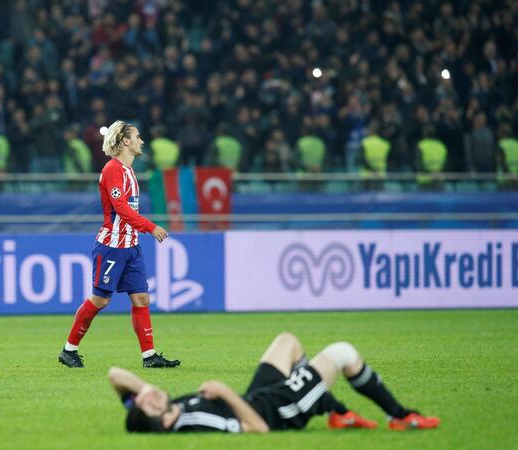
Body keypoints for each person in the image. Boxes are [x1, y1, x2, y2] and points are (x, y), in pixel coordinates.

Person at [110, 332, 440, 433]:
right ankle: (400, 416)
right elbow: (258, 428)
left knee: (287, 342)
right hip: (279, 409)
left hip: (258, 396)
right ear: (166, 421)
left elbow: (115, 374)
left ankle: (334, 410)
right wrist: (224, 391)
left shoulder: (166, 411)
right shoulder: (198, 423)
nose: (146, 396)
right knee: (343, 352)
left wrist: (143, 392)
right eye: (148, 403)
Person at [58, 120, 180, 369]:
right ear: (125, 141)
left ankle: (149, 356)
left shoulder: (129, 171)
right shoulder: (112, 169)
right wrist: (151, 227)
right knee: (101, 300)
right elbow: (121, 209)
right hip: (112, 246)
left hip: (131, 246)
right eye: (137, 136)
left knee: (141, 299)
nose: (141, 141)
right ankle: (69, 350)